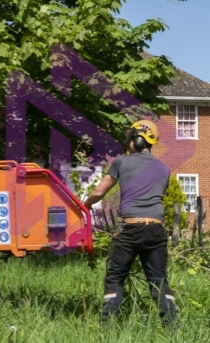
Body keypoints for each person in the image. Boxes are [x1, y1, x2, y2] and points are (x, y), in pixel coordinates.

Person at [83, 120, 177, 327]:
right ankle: (173, 329)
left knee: (115, 278)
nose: (127, 143)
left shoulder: (121, 162)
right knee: (159, 281)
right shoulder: (163, 168)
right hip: (156, 230)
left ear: (137, 140)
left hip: (129, 229)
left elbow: (99, 192)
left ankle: (107, 329)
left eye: (130, 138)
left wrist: (85, 206)